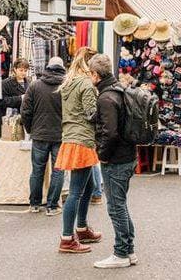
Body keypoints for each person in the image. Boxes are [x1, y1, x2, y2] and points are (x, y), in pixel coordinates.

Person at [90, 54, 139, 269]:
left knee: (115, 207)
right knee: (121, 204)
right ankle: (129, 251)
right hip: (127, 155)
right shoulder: (118, 89)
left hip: (116, 159)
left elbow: (110, 133)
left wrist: (102, 155)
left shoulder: (106, 98)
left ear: (95, 74)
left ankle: (121, 253)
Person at [55, 47, 103, 254]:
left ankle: (82, 228)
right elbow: (91, 113)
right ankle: (67, 238)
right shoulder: (86, 84)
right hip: (82, 139)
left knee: (90, 184)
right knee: (75, 192)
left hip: (71, 136)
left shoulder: (69, 82)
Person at [21, 56, 66, 216]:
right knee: (58, 170)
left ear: (48, 67)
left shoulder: (35, 85)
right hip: (60, 135)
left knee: (37, 170)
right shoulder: (66, 86)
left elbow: (25, 111)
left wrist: (30, 129)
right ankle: (52, 206)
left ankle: (34, 204)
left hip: (39, 134)